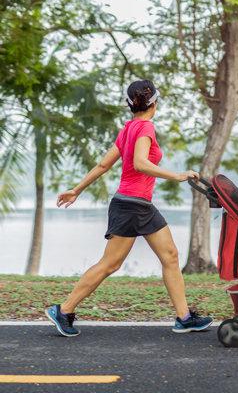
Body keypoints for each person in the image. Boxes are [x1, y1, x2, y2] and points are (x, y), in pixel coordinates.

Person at [45, 79, 213, 337]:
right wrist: (177, 175)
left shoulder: (129, 128)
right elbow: (140, 163)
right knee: (110, 264)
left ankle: (184, 317)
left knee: (170, 256)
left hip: (139, 204)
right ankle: (63, 310)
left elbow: (103, 165)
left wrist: (76, 190)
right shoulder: (145, 128)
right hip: (130, 206)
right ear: (154, 103)